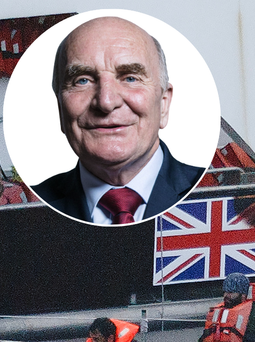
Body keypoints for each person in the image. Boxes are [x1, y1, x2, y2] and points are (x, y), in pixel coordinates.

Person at [33, 16, 203, 224]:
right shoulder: (21, 212)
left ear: (164, 104)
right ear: (60, 108)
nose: (106, 102)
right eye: (82, 81)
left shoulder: (230, 198)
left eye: (130, 78)